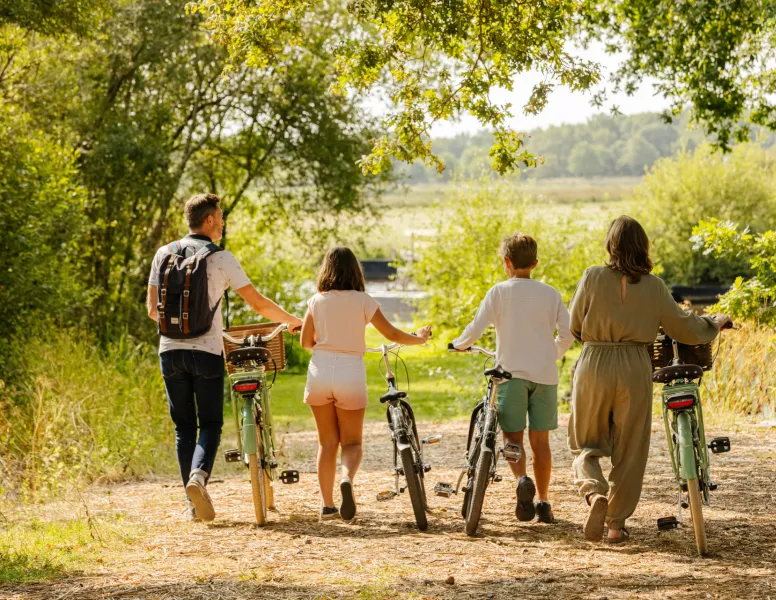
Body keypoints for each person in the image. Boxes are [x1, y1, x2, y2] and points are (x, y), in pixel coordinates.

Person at [568, 215, 730, 543]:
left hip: (594, 362)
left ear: (610, 245)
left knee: (586, 443)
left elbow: (574, 324)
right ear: (643, 247)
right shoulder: (654, 287)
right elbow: (683, 326)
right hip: (633, 365)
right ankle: (615, 525)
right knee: (630, 448)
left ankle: (593, 493)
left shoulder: (592, 276)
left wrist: (596, 337)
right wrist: (714, 323)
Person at [147, 193, 302, 523]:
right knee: (211, 424)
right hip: (206, 352)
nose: (222, 223)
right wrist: (290, 320)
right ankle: (198, 478)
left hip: (169, 352)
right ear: (208, 222)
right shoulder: (221, 258)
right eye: (220, 218)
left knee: (184, 429)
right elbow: (258, 305)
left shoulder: (163, 254)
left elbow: (151, 310)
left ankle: (191, 506)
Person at [300, 247, 431, 522]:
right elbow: (392, 333)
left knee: (327, 443)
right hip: (350, 372)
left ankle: (326, 507)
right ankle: (346, 479)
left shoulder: (316, 300)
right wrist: (419, 338)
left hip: (320, 371)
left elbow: (305, 343)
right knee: (352, 442)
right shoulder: (363, 300)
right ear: (355, 271)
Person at [452, 233, 573, 524]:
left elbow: (475, 328)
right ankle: (544, 502)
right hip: (544, 376)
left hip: (510, 375)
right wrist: (549, 354)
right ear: (535, 263)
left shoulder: (498, 292)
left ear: (507, 262)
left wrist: (458, 344)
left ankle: (521, 480)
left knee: (512, 438)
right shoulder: (550, 293)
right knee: (540, 441)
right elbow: (568, 335)